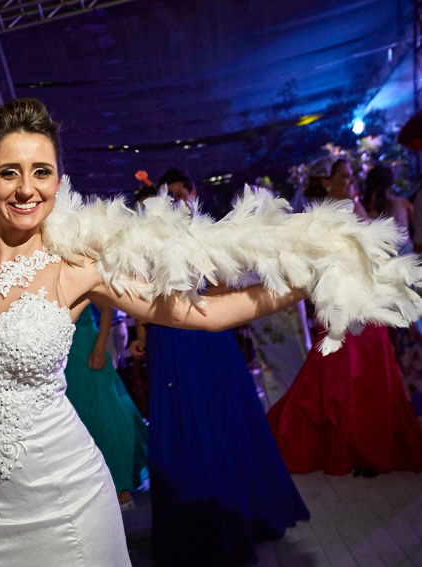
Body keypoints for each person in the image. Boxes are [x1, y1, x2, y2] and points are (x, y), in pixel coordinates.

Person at [0, 100, 308, 566]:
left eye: (41, 172)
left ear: (58, 182)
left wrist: (304, 283)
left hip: (67, 500)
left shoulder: (76, 269)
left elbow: (205, 315)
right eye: (10, 172)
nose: (26, 188)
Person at [133, 169, 310, 567]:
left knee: (224, 428)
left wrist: (191, 292)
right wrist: (141, 332)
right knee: (183, 436)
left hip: (205, 340)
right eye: (146, 208)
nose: (157, 211)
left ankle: (244, 516)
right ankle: (197, 529)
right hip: (169, 346)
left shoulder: (199, 239)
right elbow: (134, 299)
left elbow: (226, 285)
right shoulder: (135, 251)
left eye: (168, 200)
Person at [267, 157, 422, 476]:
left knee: (374, 369)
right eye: (346, 177)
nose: (352, 182)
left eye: (353, 177)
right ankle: (350, 445)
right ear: (326, 181)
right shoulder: (318, 218)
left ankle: (370, 443)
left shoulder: (357, 208)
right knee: (342, 375)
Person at [64, 303, 148, 508]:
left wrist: (100, 348)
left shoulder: (80, 271)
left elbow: (107, 309)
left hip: (86, 348)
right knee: (77, 417)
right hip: (62, 354)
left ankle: (120, 485)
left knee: (105, 414)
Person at [363, 165, 413, 255]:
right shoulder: (402, 203)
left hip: (379, 254)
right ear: (391, 183)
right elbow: (416, 222)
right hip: (405, 252)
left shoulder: (363, 207)